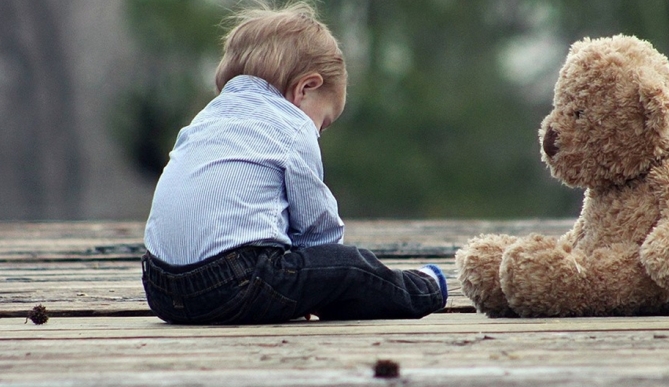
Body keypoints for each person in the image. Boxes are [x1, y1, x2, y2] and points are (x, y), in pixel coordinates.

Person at [140, 2, 447, 325]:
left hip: (160, 289)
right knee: (352, 267)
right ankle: (425, 288)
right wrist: (326, 276)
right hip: (234, 284)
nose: (318, 132)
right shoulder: (292, 125)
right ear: (306, 88)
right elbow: (318, 229)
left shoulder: (205, 119)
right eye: (324, 122)